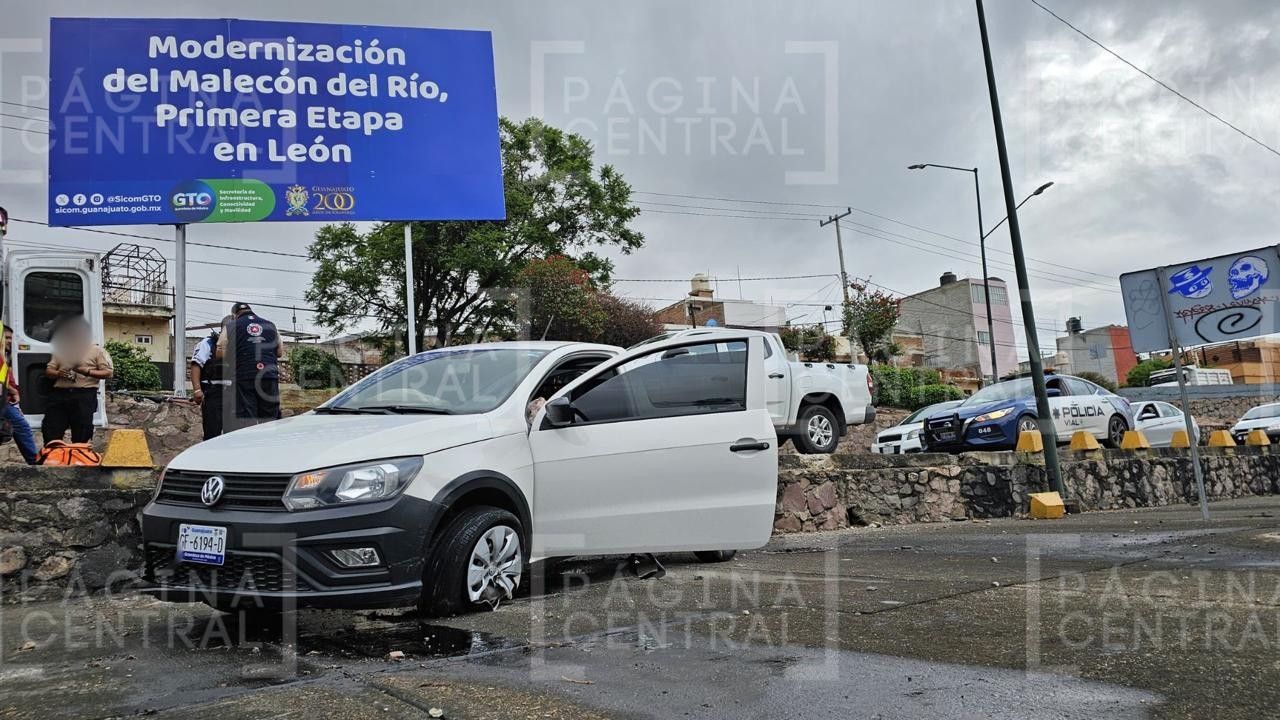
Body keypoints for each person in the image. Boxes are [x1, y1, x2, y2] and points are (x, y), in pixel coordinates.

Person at [42, 316, 113, 445]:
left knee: (82, 433)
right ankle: (52, 460)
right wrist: (58, 373)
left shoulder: (97, 350)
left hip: (84, 395)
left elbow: (108, 373)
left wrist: (86, 371)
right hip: (59, 395)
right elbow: (48, 371)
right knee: (51, 430)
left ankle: (79, 461)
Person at [215, 302, 283, 430]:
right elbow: (279, 352)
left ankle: (250, 447)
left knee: (247, 418)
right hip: (269, 375)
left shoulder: (230, 326)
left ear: (234, 315)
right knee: (270, 418)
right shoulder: (270, 325)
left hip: (245, 375)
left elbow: (219, 351)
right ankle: (272, 447)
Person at [190, 316, 233, 440]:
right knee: (212, 434)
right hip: (213, 393)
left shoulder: (238, 345)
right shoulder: (208, 343)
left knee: (233, 435)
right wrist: (197, 390)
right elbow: (196, 365)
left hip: (233, 394)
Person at [2, 325, 36, 464]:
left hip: (6, 400)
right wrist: (13, 391)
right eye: (7, 337)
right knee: (22, 427)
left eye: (11, 338)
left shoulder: (4, 356)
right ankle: (35, 461)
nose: (10, 341)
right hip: (4, 400)